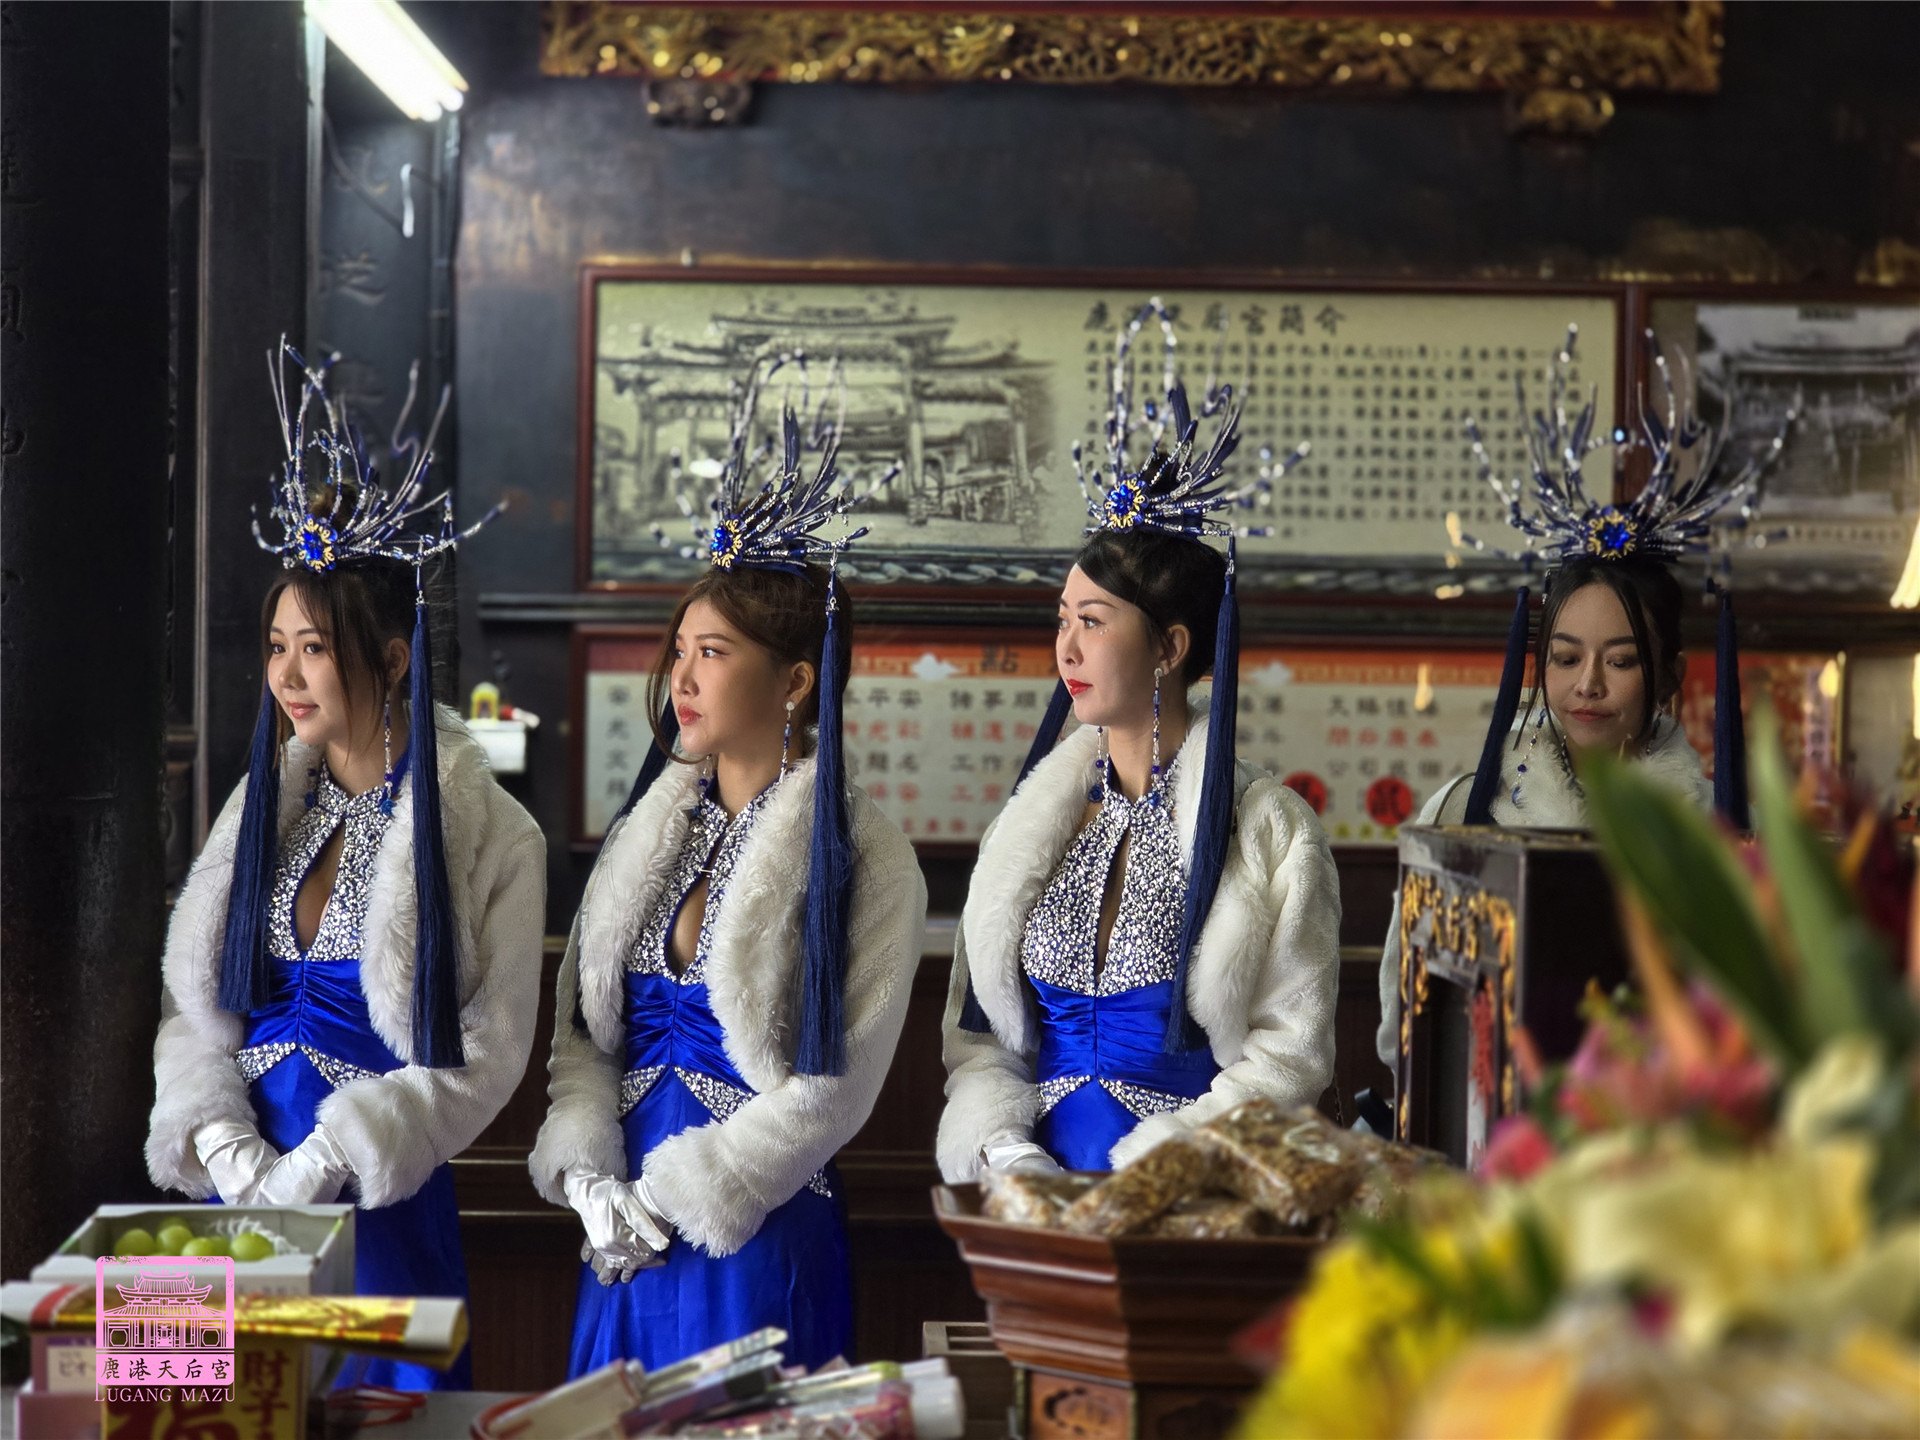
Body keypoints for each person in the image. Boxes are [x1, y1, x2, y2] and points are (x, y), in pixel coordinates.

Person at [147, 344, 544, 1390]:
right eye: (275, 644)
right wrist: (228, 1151)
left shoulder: (496, 836)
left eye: (314, 647)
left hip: (379, 1199)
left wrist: (326, 1160)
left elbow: (488, 1055)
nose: (286, 673)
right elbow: (195, 1009)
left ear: (393, 658)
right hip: (241, 1205)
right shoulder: (262, 812)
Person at [530, 357, 926, 1376]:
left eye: (712, 652)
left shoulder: (865, 854)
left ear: (794, 682)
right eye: (680, 651)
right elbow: (585, 1040)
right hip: (619, 1239)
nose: (682, 676)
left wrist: (671, 1198)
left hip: (751, 1227)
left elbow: (834, 1090)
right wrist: (591, 1181)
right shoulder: (649, 834)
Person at [937, 302, 1342, 1180]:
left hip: (1186, 1201)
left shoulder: (1268, 827)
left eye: (1093, 621)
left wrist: (1163, 1167)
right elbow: (981, 1042)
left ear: (1169, 647)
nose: (1067, 650)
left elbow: (1290, 1055)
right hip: (1031, 1202)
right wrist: (1005, 1150)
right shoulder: (1032, 822)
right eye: (1062, 621)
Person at [1374, 325, 1790, 1074]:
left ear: (1670, 675)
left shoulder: (1729, 830)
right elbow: (1404, 1019)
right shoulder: (1464, 811)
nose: (1587, 685)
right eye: (1565, 659)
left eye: (1621, 661)